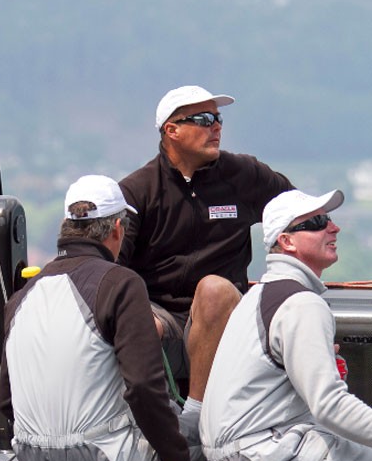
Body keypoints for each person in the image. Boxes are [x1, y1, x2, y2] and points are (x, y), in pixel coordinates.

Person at [0, 175, 209, 461]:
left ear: (66, 227)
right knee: (211, 437)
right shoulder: (120, 283)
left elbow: (6, 399)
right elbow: (143, 388)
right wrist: (176, 460)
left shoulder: (22, 296)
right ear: (117, 230)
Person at [118, 85, 294, 398]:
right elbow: (113, 270)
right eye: (203, 118)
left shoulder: (244, 174)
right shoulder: (137, 191)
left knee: (213, 290)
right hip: (164, 318)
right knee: (138, 322)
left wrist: (285, 284)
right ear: (172, 130)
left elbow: (298, 216)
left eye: (218, 118)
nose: (216, 126)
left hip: (226, 319)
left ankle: (199, 416)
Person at [200, 188, 372, 461]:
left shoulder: (258, 296)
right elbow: (330, 405)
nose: (334, 228)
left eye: (329, 219)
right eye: (318, 222)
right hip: (259, 460)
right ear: (287, 241)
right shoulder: (302, 303)